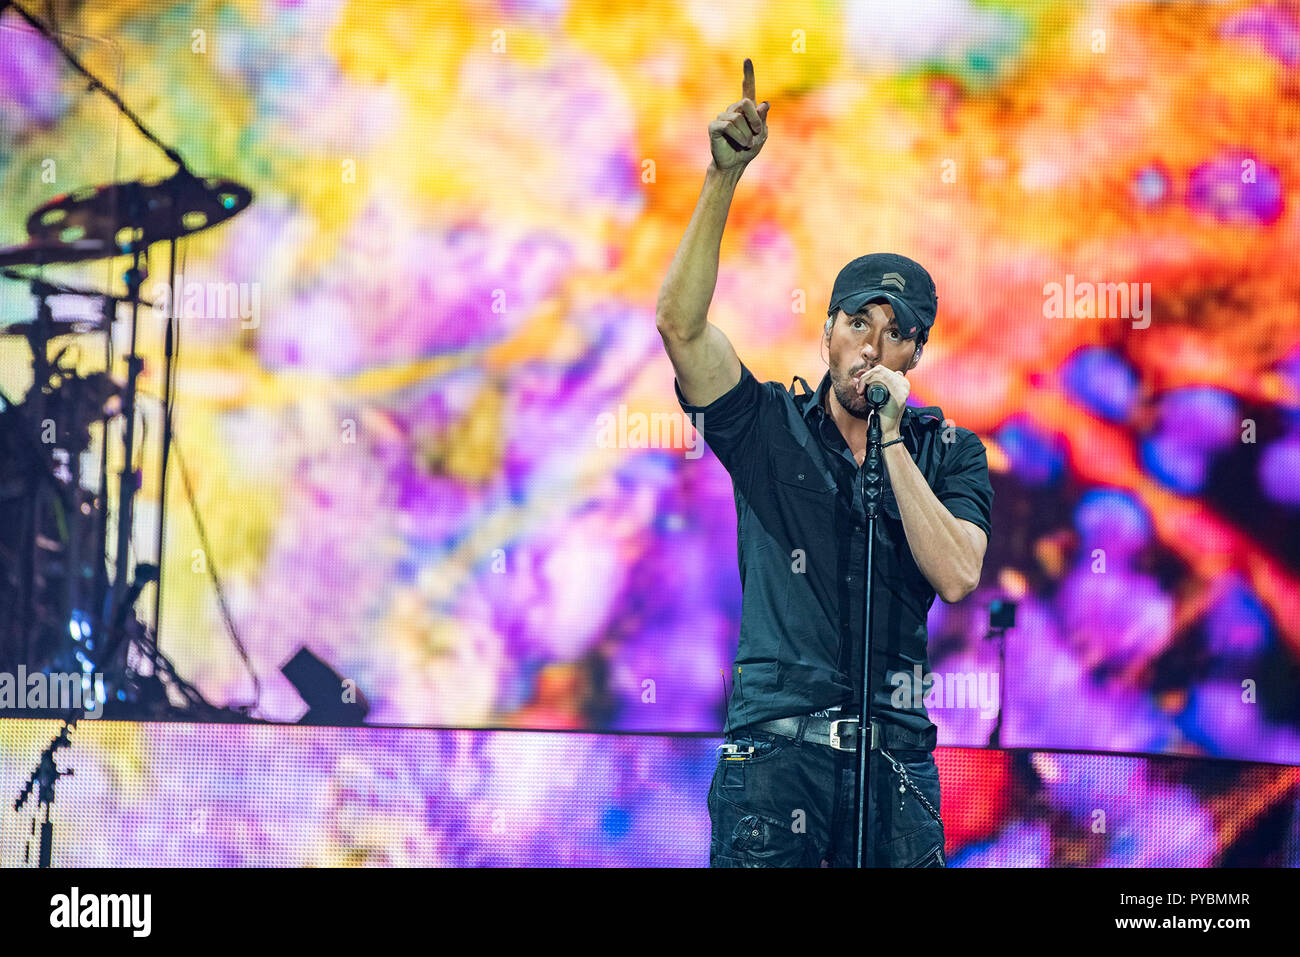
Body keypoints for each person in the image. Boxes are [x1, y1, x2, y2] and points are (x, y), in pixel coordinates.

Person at [656, 59, 994, 867]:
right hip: (776, 768)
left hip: (896, 774)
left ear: (914, 350)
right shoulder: (768, 426)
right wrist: (722, 177)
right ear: (828, 332)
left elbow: (956, 574)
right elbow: (680, 327)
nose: (870, 342)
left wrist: (891, 437)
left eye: (894, 328)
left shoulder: (949, 451)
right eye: (855, 320)